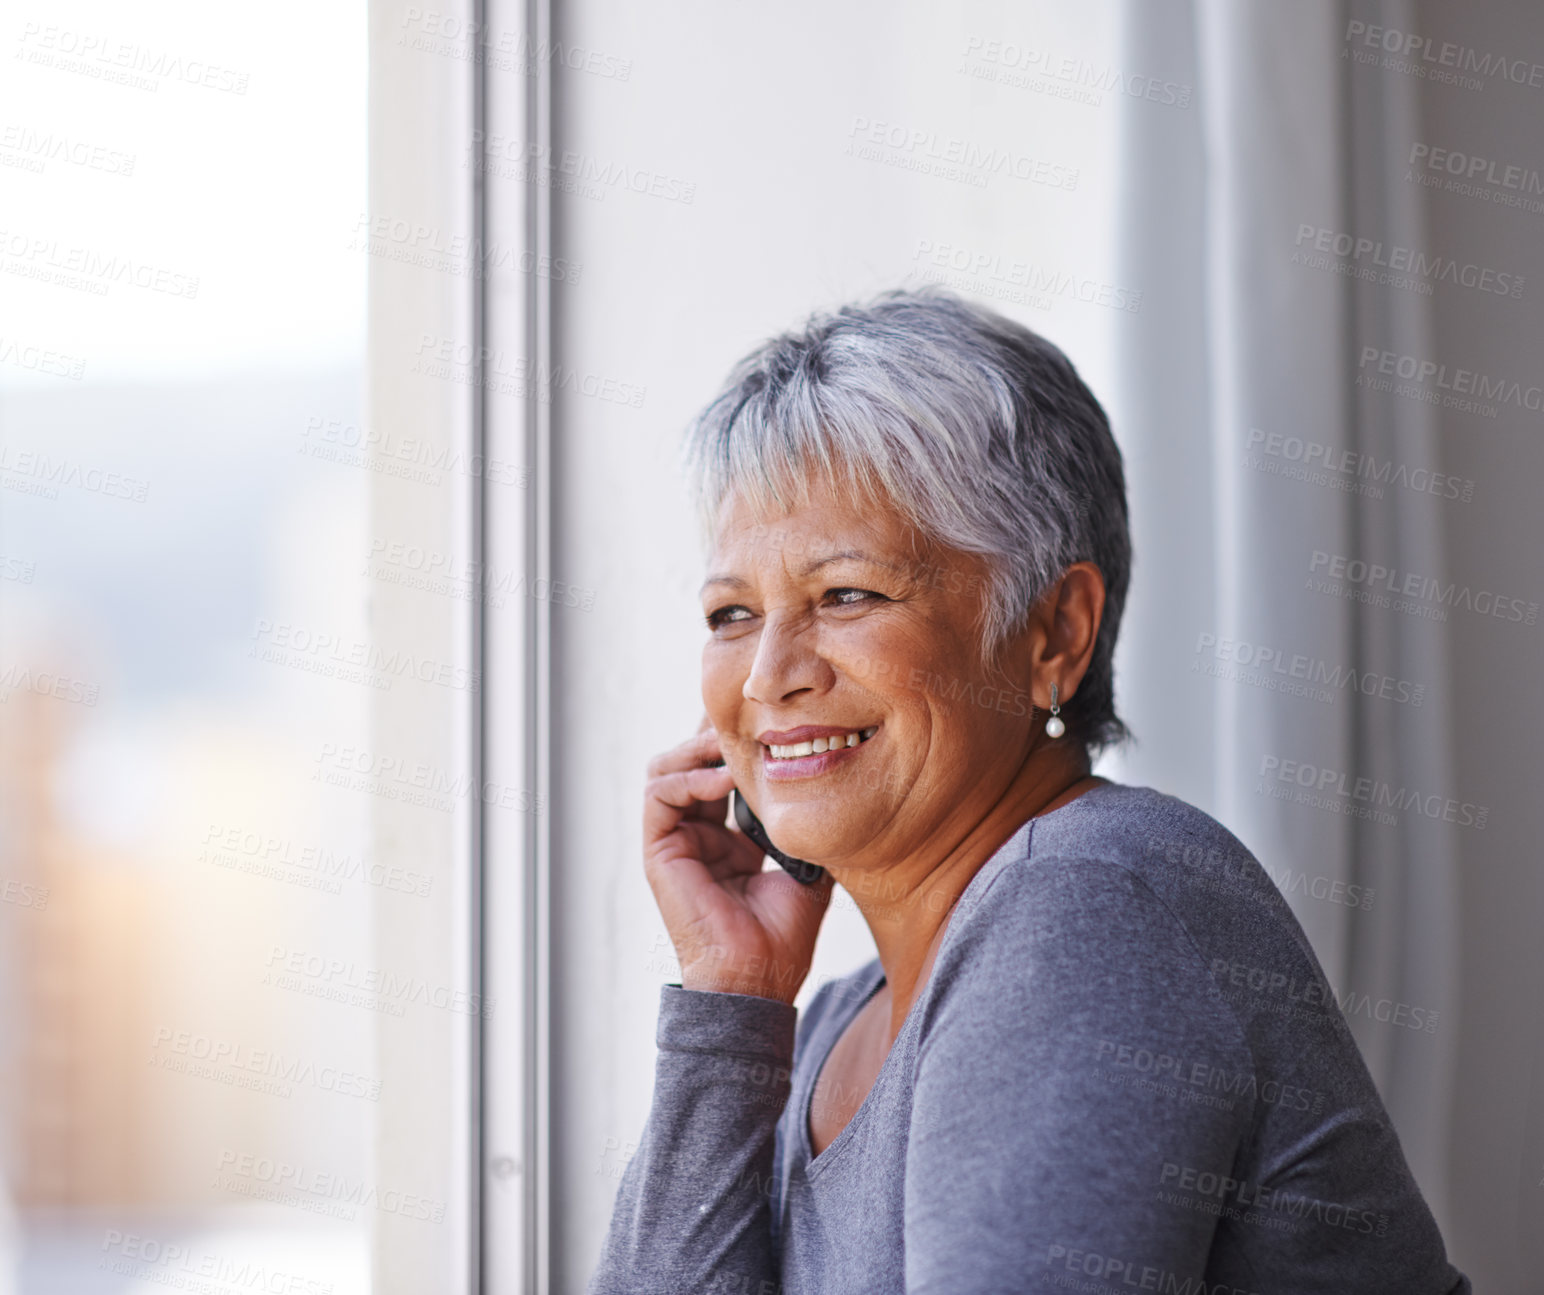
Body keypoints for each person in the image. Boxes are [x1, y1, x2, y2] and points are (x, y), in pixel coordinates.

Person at [587, 287, 1470, 1294]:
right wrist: (728, 995)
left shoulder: (1090, 906)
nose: (766, 674)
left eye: (846, 594)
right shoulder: (840, 1016)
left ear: (1053, 633)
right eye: (732, 611)